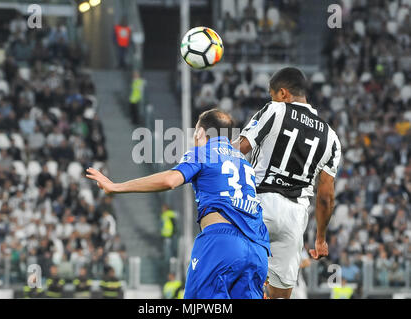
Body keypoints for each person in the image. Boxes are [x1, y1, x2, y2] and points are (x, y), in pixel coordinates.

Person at [86, 109, 271, 299]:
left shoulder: (203, 152)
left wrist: (116, 187)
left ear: (200, 133)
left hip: (221, 243)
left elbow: (170, 181)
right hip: (258, 248)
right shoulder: (245, 163)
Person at [233, 67, 342, 299]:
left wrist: (207, 154)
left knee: (236, 282)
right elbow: (325, 197)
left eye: (272, 94)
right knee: (281, 296)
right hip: (295, 217)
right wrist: (320, 238)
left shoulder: (275, 110)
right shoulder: (331, 137)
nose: (271, 99)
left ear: (282, 93)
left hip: (259, 205)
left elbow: (239, 149)